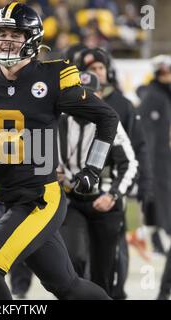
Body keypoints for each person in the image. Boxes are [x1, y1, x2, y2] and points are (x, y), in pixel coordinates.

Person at [0, 2, 119, 300]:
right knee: (67, 287)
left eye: (16, 33)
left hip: (39, 198)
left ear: (32, 39)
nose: (7, 40)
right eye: (2, 33)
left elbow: (106, 117)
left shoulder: (52, 77)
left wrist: (93, 168)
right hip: (7, 198)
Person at [77, 47, 154, 299]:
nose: (96, 72)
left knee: (116, 247)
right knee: (82, 252)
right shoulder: (73, 104)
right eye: (91, 69)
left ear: (107, 70)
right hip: (81, 189)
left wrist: (143, 183)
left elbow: (137, 148)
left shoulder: (123, 104)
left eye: (99, 68)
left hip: (115, 186)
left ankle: (116, 293)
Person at [58, 71, 138, 295]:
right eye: (78, 95)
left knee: (103, 271)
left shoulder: (110, 122)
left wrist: (112, 195)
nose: (83, 101)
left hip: (104, 203)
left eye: (89, 95)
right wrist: (52, 173)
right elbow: (44, 159)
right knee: (74, 259)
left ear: (99, 96)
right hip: (73, 200)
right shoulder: (59, 122)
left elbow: (130, 164)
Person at [138, 55, 171, 300]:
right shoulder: (153, 98)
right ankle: (157, 236)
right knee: (159, 201)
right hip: (158, 162)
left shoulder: (163, 96)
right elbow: (147, 136)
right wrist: (146, 164)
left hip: (165, 160)